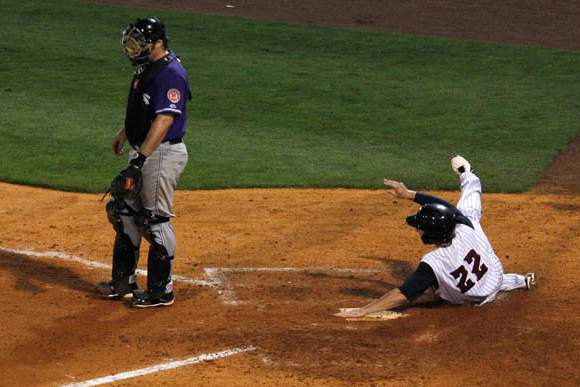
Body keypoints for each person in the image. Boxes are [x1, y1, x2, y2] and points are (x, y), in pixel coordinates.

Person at [336, 155, 535, 318]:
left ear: (431, 236)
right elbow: (444, 207)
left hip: (472, 299)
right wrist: (409, 194)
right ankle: (467, 174)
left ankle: (516, 281)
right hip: (495, 277)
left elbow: (404, 294)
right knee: (470, 207)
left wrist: (364, 310)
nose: (418, 230)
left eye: (420, 228)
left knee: (437, 290)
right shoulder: (465, 226)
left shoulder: (434, 263)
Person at [98, 17, 191, 308]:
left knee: (154, 220)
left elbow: (164, 120)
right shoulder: (149, 67)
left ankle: (161, 291)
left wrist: (138, 163)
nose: (134, 47)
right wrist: (125, 132)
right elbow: (145, 109)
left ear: (158, 43)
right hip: (145, 150)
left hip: (160, 153)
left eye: (140, 42)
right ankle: (123, 282)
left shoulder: (171, 73)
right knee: (123, 210)